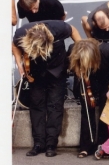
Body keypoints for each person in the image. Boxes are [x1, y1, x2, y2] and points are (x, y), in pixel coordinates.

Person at [12, 20, 82, 157]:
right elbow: (14, 45)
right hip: (36, 72)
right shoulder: (21, 33)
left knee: (55, 106)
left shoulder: (59, 27)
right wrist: (20, 66)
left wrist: (80, 53)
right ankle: (38, 143)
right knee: (36, 105)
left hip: (57, 67)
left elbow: (73, 30)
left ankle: (51, 144)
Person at [68, 38, 109, 158]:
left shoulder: (108, 50)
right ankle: (86, 146)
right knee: (86, 109)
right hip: (85, 77)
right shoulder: (72, 49)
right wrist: (78, 70)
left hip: (106, 76)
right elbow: (70, 64)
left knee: (105, 110)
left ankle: (103, 145)